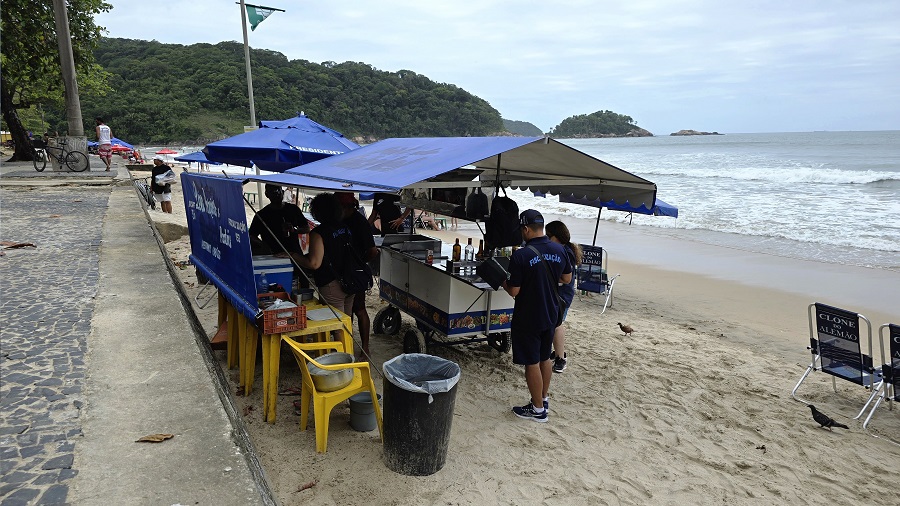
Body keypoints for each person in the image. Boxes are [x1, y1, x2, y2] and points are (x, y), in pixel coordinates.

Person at [502, 209, 572, 423]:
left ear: (525, 228)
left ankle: (538, 410)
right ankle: (543, 398)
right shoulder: (560, 250)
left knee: (531, 362)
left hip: (529, 315)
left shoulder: (521, 255)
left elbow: (514, 291)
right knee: (544, 358)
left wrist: (501, 279)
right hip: (551, 313)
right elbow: (567, 278)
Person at [283, 193, 355, 315]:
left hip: (332, 284)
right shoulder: (344, 227)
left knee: (338, 327)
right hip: (350, 279)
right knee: (347, 321)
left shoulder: (319, 233)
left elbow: (314, 263)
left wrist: (292, 255)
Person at [336, 192, 379, 358]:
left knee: (359, 309)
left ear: (347, 206)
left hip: (355, 272)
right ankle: (346, 344)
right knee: (346, 311)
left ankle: (365, 347)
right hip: (341, 271)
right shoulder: (338, 220)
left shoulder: (360, 222)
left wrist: (359, 263)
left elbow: (373, 251)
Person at [545, 220, 583, 373]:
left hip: (562, 295)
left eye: (548, 236)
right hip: (557, 293)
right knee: (552, 323)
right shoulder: (564, 249)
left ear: (556, 237)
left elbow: (563, 277)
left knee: (557, 324)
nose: (546, 239)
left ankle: (561, 358)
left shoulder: (565, 252)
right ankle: (556, 353)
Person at [248, 185, 308, 256]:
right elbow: (251, 235)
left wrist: (294, 230)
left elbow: (306, 228)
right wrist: (263, 245)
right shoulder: (261, 215)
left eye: (278, 191)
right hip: (272, 255)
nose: (277, 194)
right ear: (267, 194)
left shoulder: (293, 209)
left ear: (282, 192)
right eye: (273, 192)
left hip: (294, 254)